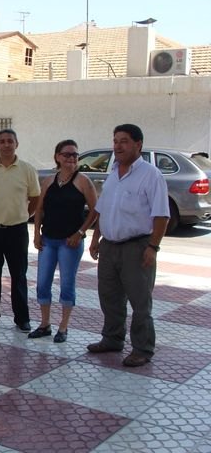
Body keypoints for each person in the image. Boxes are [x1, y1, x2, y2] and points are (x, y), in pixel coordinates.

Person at [88, 124, 169, 367]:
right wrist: (96, 238)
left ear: (138, 145)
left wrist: (152, 247)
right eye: (115, 141)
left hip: (137, 247)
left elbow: (161, 216)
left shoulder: (151, 175)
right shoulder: (113, 173)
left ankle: (142, 348)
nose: (117, 146)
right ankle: (112, 338)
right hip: (109, 246)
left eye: (124, 141)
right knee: (109, 296)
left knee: (140, 300)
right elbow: (102, 209)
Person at [29, 140, 97, 343]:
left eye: (75, 155)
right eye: (67, 154)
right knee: (42, 283)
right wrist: (37, 233)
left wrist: (80, 232)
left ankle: (63, 326)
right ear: (57, 157)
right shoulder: (49, 181)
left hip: (70, 243)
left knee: (67, 284)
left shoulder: (83, 181)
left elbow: (95, 210)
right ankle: (45, 324)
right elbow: (39, 208)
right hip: (48, 240)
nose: (71, 158)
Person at [0, 128, 40, 332]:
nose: (6, 144)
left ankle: (22, 318)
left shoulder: (27, 169)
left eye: (10, 141)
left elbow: (35, 198)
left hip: (16, 231)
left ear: (16, 144)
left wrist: (23, 214)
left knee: (18, 275)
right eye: (2, 141)